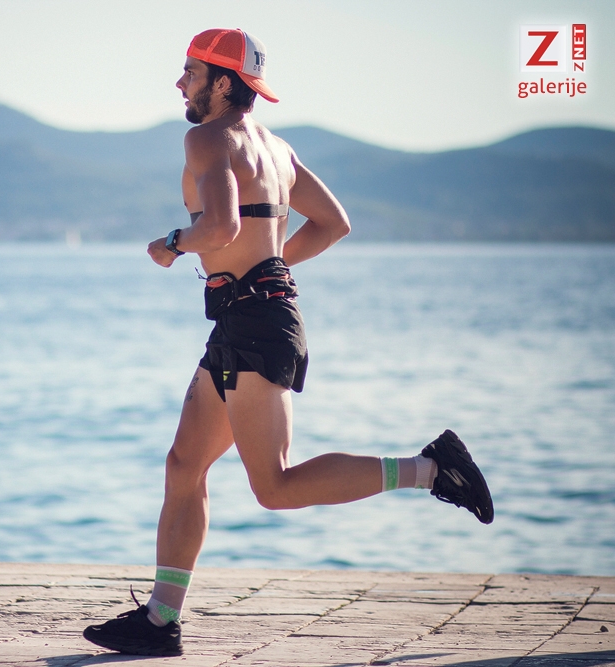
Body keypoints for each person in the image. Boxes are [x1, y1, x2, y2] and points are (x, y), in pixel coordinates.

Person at [82, 28, 494, 657]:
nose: (179, 82)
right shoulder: (276, 149)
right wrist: (268, 269)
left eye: (190, 71)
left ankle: (435, 469)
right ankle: (160, 622)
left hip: (255, 326)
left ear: (223, 82)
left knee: (273, 486)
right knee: (184, 465)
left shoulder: (207, 139)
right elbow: (334, 223)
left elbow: (219, 227)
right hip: (248, 319)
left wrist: (171, 244)